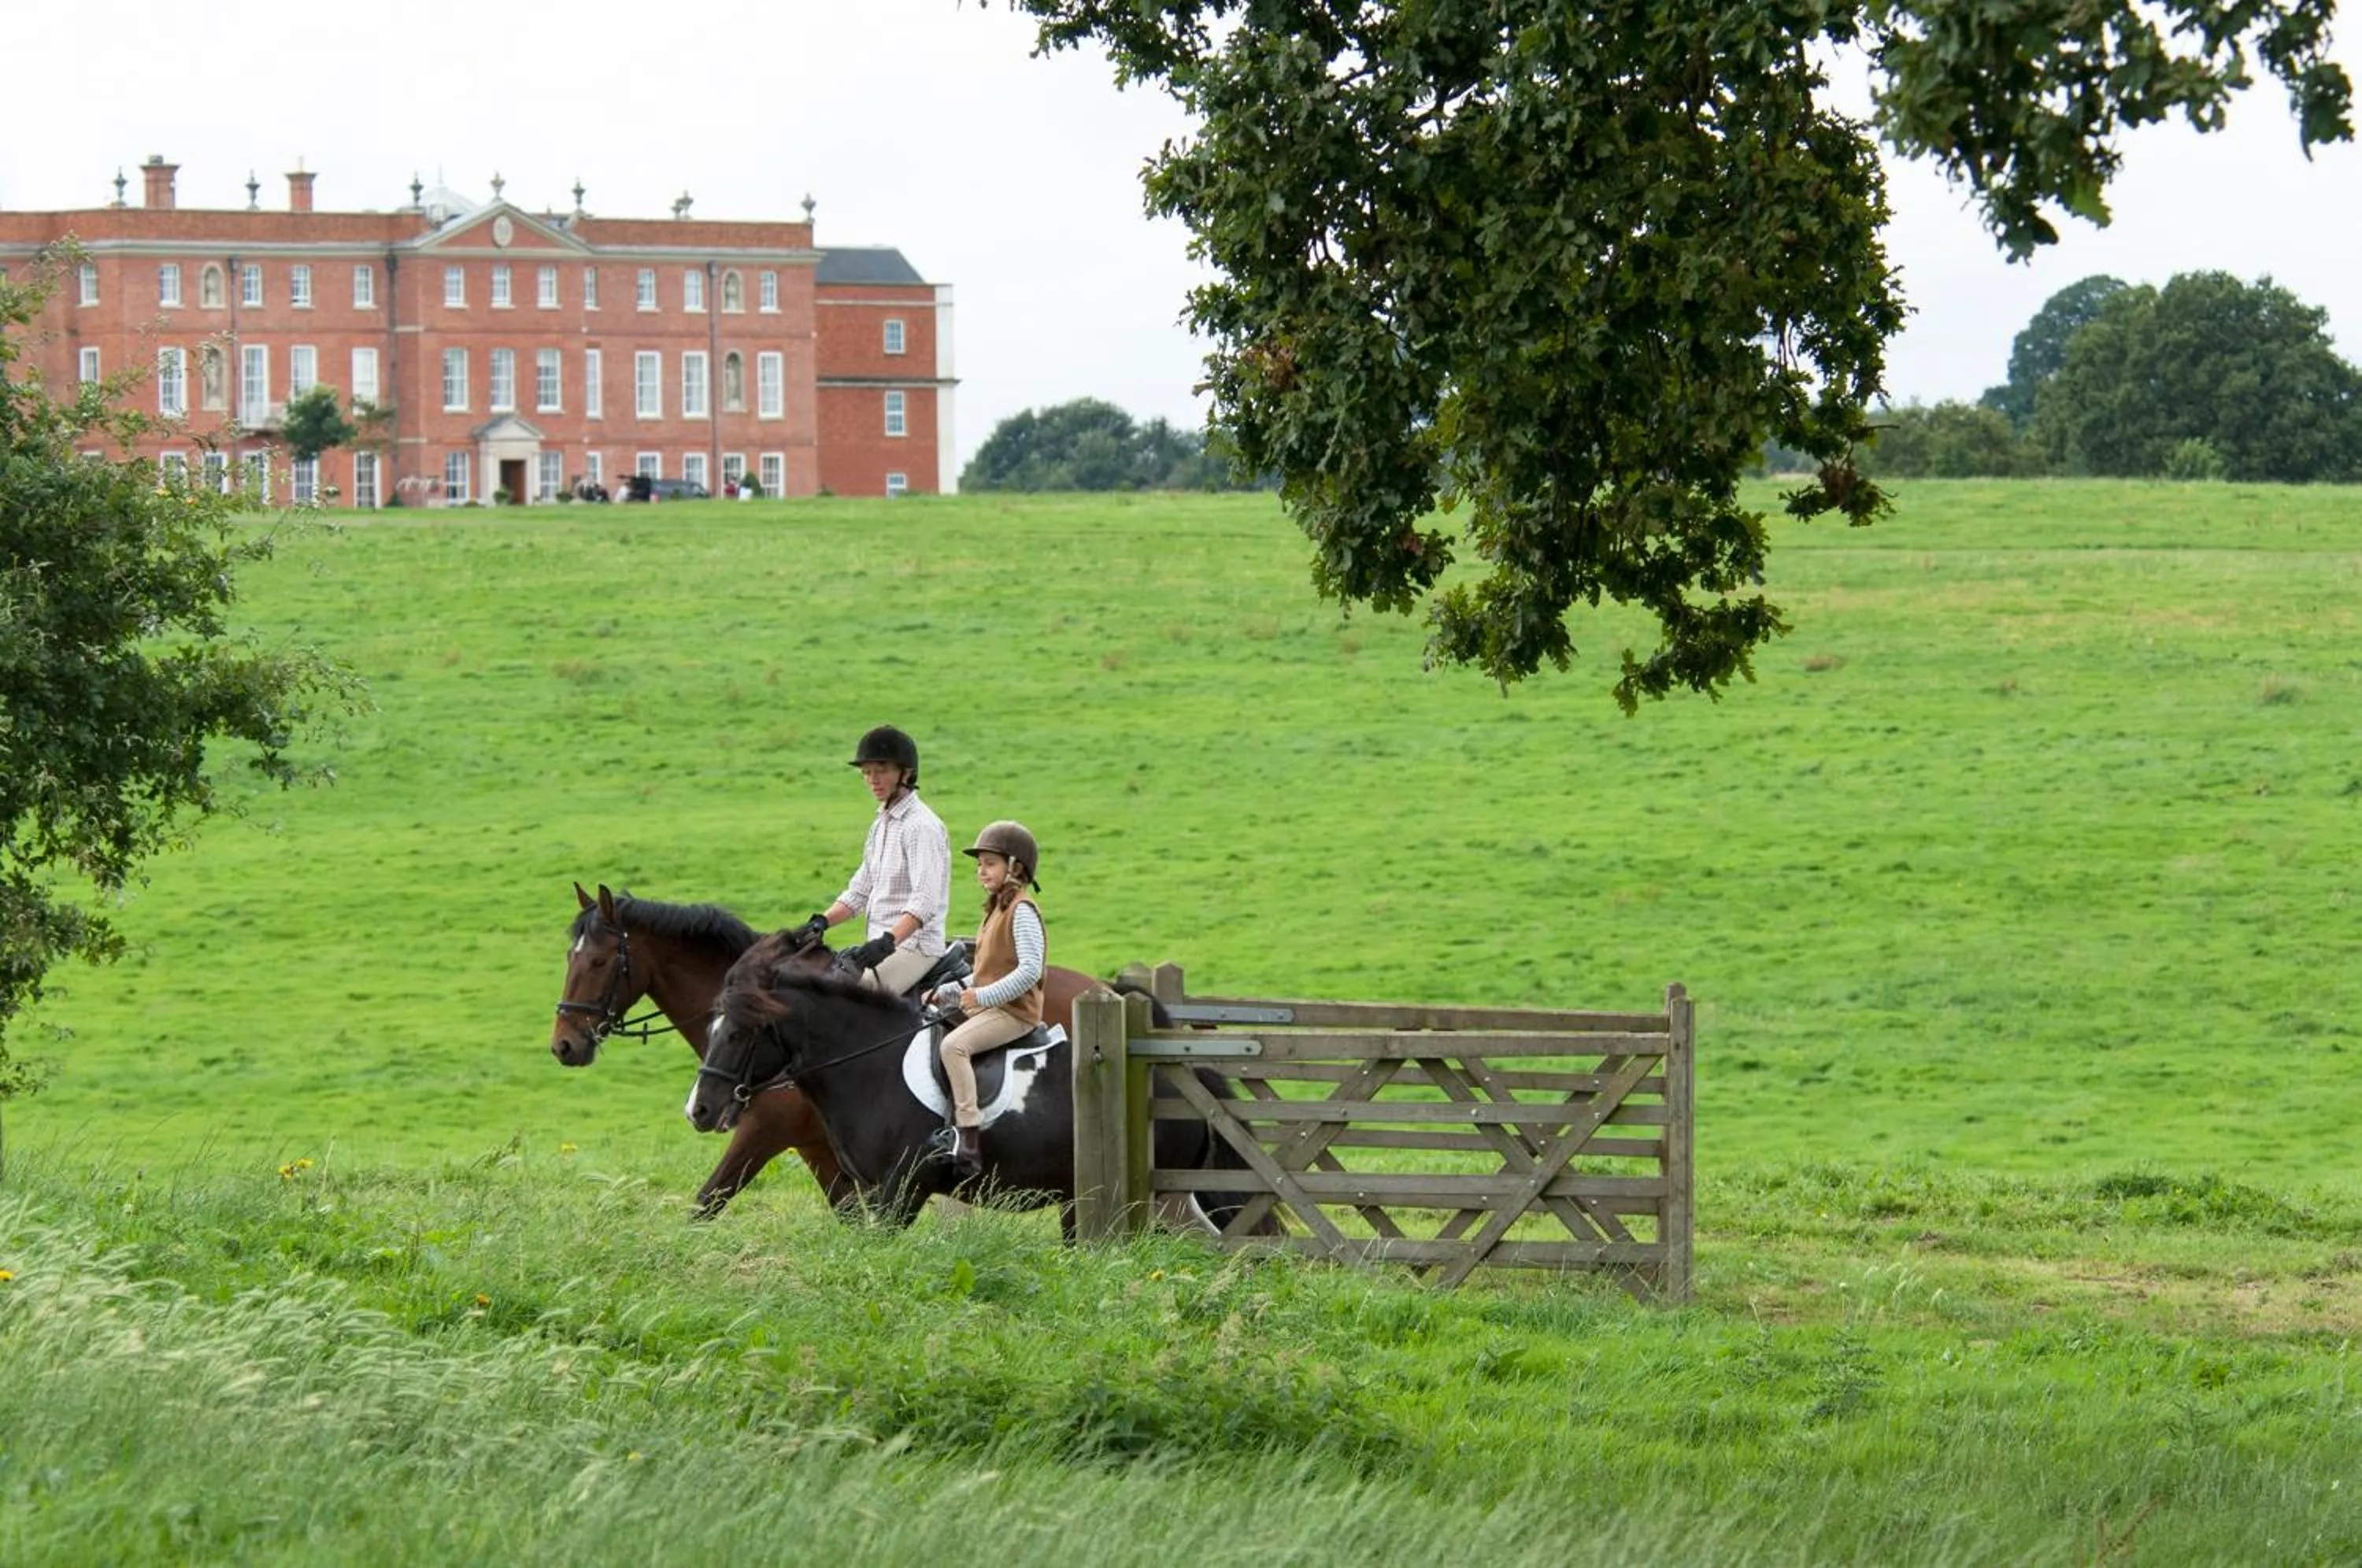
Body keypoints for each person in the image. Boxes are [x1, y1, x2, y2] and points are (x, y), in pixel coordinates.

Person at [785, 726, 950, 999]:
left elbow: (925, 901)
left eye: (881, 770)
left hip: (915, 948)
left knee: (849, 1006)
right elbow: (860, 892)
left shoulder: (921, 827)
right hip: (882, 946)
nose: (873, 779)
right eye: (867, 772)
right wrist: (821, 922)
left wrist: (888, 943)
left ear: (906, 773)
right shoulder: (881, 824)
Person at [928, 820, 1046, 1179]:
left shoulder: (1022, 911)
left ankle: (967, 1139)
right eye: (979, 864)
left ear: (1015, 867)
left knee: (954, 1047)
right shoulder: (995, 910)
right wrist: (946, 991)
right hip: (990, 1005)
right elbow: (984, 972)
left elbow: (1029, 971)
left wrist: (981, 995)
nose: (981, 871)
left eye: (990, 863)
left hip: (1014, 1013)